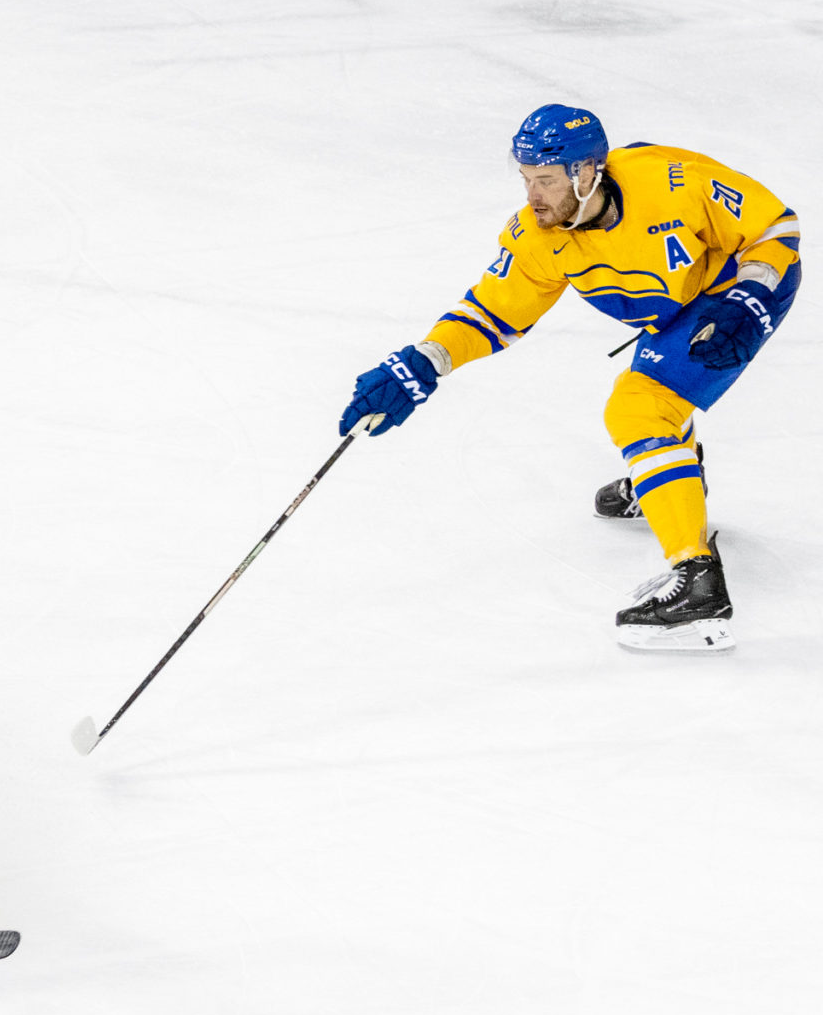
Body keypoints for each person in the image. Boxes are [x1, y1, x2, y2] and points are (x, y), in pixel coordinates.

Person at [340, 104, 800, 651]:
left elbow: (776, 225)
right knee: (652, 407)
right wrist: (422, 362)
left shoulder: (673, 178)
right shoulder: (539, 235)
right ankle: (666, 481)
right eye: (527, 179)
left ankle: (697, 581)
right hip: (673, 309)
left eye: (546, 180)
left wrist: (750, 298)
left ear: (587, 174)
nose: (533, 196)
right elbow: (490, 312)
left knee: (638, 408)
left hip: (736, 295)